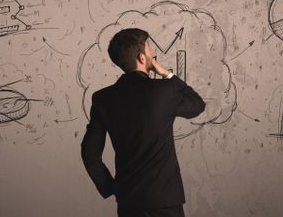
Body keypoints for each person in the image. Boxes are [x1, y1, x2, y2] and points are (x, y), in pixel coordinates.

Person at [81, 28, 206, 217]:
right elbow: (197, 106)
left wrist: (111, 187)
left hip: (128, 200)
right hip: (165, 200)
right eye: (149, 50)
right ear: (141, 58)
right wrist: (169, 75)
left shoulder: (103, 99)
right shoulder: (164, 90)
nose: (153, 55)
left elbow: (89, 153)